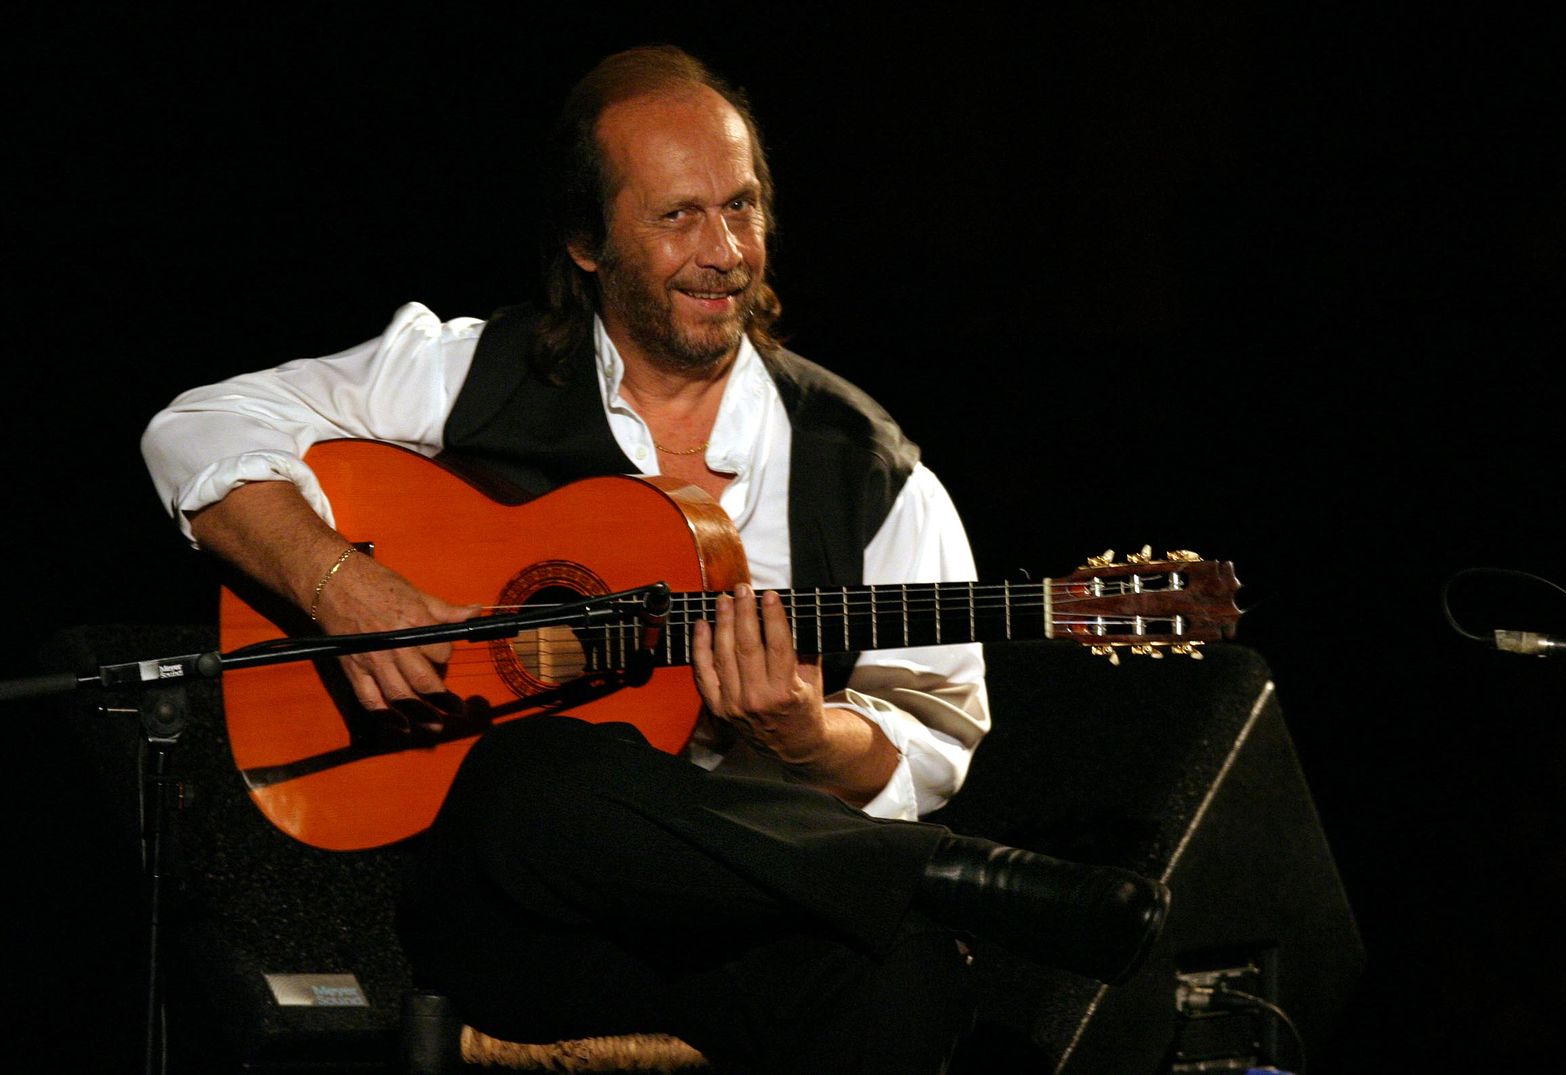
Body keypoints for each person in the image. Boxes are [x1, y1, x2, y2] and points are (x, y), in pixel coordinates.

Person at [141, 44, 1169, 1075]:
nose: (724, 252)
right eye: (678, 215)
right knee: (535, 775)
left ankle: (922, 889)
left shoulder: (866, 470)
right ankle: (949, 877)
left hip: (732, 922)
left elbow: (930, 737)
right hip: (516, 910)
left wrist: (806, 735)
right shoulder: (471, 373)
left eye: (741, 207)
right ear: (586, 240)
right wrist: (341, 583)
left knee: (908, 979)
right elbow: (196, 428)